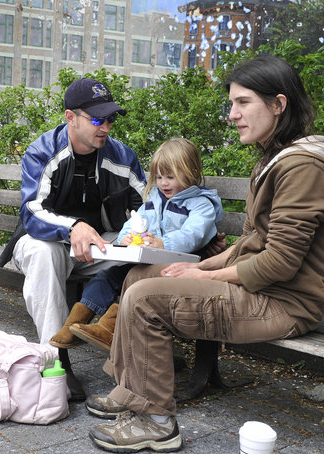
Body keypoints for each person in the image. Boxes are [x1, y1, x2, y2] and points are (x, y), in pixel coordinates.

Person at [85, 55, 324, 453]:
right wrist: (197, 265)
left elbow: (279, 262)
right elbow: (250, 242)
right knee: (139, 278)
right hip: (260, 291)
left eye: (242, 102)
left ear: (278, 104)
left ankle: (156, 421)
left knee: (147, 299)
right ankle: (131, 391)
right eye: (231, 103)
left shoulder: (303, 170)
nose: (232, 114)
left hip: (284, 302)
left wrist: (205, 278)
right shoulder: (274, 161)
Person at [0, 78, 145, 353]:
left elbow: (148, 209)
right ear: (71, 117)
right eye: (97, 120)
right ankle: (55, 359)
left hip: (97, 246)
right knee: (44, 254)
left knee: (143, 257)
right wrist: (73, 227)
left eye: (110, 119)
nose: (106, 127)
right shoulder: (42, 151)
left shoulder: (123, 157)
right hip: (45, 243)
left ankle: (143, 351)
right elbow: (32, 212)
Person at [49, 137, 223, 351]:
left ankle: (111, 329)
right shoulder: (153, 201)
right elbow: (133, 223)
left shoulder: (201, 205)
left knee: (137, 285)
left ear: (192, 171)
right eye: (159, 177)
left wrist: (163, 243)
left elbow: (193, 235)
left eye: (171, 176)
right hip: (151, 263)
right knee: (107, 276)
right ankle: (75, 323)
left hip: (181, 268)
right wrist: (126, 238)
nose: (164, 183)